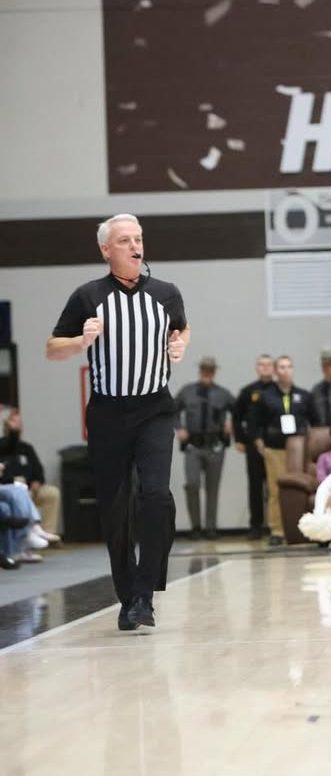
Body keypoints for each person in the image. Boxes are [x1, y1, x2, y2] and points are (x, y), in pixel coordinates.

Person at [46, 213, 190, 631]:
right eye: (124, 240)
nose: (134, 246)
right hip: (108, 412)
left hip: (155, 410)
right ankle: (128, 598)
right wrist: (81, 340)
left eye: (138, 238)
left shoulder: (166, 292)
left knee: (157, 496)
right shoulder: (87, 296)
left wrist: (179, 344)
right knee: (115, 508)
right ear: (106, 250)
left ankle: (145, 591)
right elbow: (52, 348)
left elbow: (181, 328)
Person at [254, 355, 318, 546]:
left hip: (299, 451)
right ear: (275, 371)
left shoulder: (303, 395)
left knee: (299, 489)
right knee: (275, 490)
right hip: (275, 448)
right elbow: (256, 423)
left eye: (289, 366)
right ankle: (277, 529)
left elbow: (314, 422)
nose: (286, 370)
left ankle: (299, 527)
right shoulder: (266, 396)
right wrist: (260, 443)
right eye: (281, 367)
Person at [174, 356, 234, 539]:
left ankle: (210, 528)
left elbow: (239, 411)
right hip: (193, 445)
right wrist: (179, 427)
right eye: (204, 369)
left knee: (212, 487)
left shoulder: (223, 394)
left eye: (210, 370)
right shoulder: (187, 391)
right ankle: (196, 527)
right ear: (200, 370)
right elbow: (172, 410)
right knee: (192, 484)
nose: (207, 373)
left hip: (215, 446)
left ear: (214, 372)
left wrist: (231, 423)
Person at [0, 409, 61, 546]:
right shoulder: (3, 446)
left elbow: (38, 469)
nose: (18, 425)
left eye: (19, 423)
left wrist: (37, 482)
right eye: (14, 422)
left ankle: (45, 533)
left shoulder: (27, 448)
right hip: (12, 485)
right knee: (20, 490)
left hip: (31, 487)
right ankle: (28, 534)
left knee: (52, 493)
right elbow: (10, 444)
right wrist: (13, 432)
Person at [233, 353, 274, 539]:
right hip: (253, 446)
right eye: (261, 365)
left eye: (268, 365)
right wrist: (240, 440)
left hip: (274, 444)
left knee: (274, 486)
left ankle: (275, 526)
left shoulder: (278, 389)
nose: (265, 368)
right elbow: (237, 417)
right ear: (257, 368)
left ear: (273, 368)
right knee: (255, 486)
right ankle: (256, 526)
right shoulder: (248, 391)